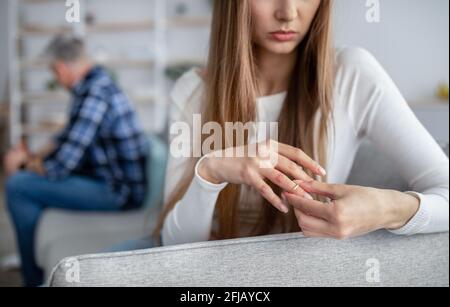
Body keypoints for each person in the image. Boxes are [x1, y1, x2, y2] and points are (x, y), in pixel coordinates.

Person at [153, 0, 449, 246]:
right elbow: (176, 246)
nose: (288, 12)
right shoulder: (191, 91)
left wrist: (385, 209)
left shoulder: (353, 74)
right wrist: (211, 170)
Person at [4, 34, 148, 287]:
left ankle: (33, 279)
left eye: (53, 72)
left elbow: (59, 167)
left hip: (118, 192)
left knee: (18, 186)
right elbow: (64, 138)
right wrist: (32, 156)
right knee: (27, 185)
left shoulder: (95, 94)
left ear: (60, 68)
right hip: (105, 179)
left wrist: (22, 164)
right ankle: (37, 264)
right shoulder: (94, 85)